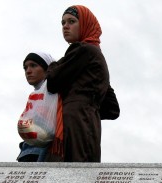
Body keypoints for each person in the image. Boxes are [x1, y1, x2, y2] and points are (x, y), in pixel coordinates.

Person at [46, 5, 119, 162]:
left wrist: (51, 66)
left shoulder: (83, 50)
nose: (65, 26)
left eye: (71, 21)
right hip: (88, 123)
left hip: (73, 122)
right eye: (63, 23)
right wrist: (90, 108)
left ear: (85, 24)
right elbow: (113, 109)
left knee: (70, 174)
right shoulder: (96, 57)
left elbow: (52, 81)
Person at [17, 52, 55, 162]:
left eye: (33, 65)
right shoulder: (35, 95)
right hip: (27, 150)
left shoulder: (54, 93)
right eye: (25, 68)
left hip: (44, 152)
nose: (28, 71)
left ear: (47, 69)